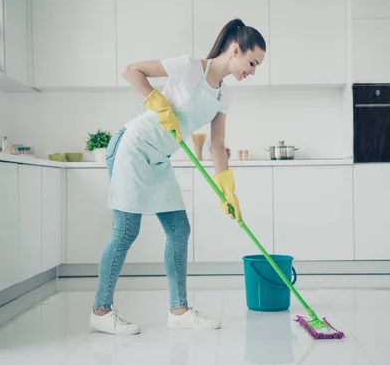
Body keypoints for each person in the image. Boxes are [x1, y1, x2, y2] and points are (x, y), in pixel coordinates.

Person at [89, 18, 266, 335]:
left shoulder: (223, 96)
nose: (253, 71)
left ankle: (179, 311)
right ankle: (101, 311)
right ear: (235, 50)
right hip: (132, 146)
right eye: (252, 62)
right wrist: (157, 102)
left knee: (179, 229)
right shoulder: (188, 67)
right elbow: (131, 71)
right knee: (127, 230)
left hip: (159, 158)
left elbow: (217, 146)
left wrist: (228, 191)